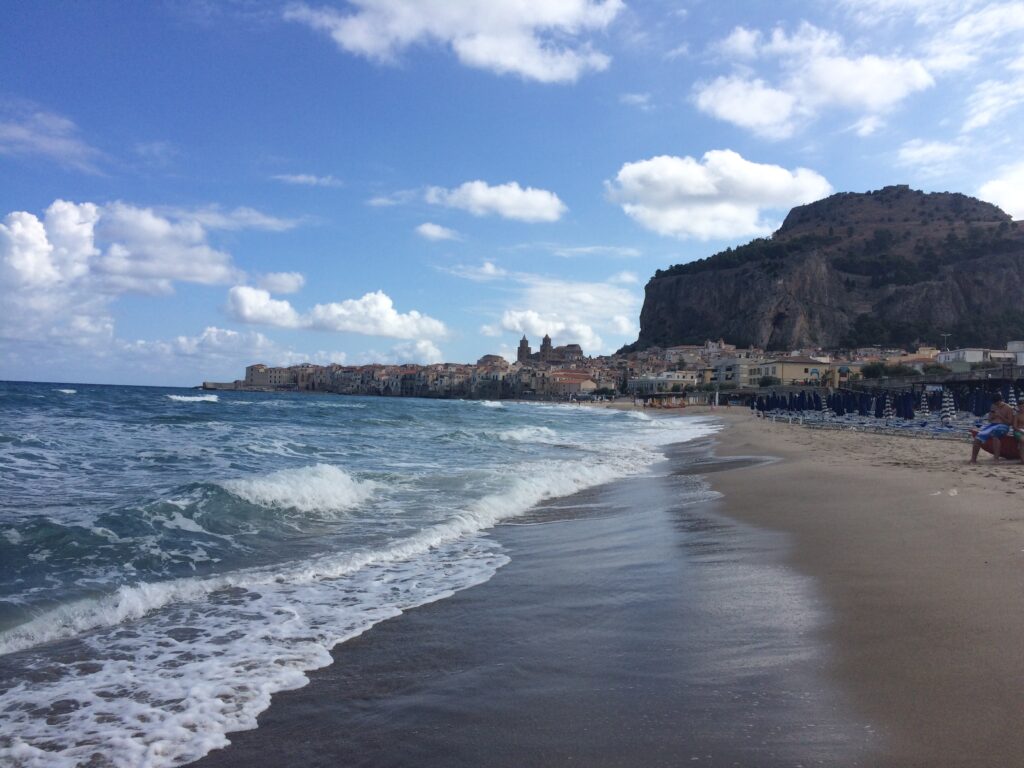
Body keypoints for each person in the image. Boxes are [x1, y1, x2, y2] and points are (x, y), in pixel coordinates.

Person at [970, 392, 1015, 463]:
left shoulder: (1008, 408)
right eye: (995, 403)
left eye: (997, 403)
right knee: (978, 437)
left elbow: (1010, 423)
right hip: (992, 425)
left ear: (1001, 400)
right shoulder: (993, 406)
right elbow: (989, 420)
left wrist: (1000, 416)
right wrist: (993, 416)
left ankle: (996, 459)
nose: (996, 405)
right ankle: (973, 459)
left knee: (995, 435)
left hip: (1003, 426)